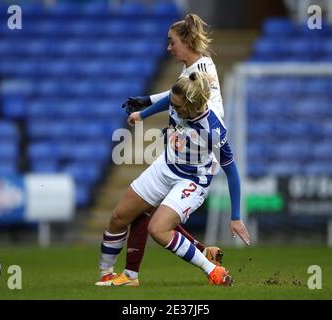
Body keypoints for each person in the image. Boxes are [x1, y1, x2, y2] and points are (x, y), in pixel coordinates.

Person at [97, 14, 228, 286]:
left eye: (172, 42)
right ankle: (113, 275)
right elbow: (177, 94)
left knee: (155, 223)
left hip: (192, 167)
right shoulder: (192, 69)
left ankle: (201, 266)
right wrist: (146, 106)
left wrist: (201, 133)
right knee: (123, 214)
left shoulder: (202, 73)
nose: (168, 47)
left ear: (187, 41)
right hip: (171, 160)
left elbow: (205, 109)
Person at [96, 72, 250, 287]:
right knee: (119, 217)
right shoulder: (177, 99)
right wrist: (143, 115)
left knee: (158, 229)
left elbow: (231, 170)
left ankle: (213, 270)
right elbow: (169, 99)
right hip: (165, 166)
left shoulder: (212, 129)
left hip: (193, 179)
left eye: (177, 107)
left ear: (189, 106)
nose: (173, 108)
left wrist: (236, 217)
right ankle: (107, 274)